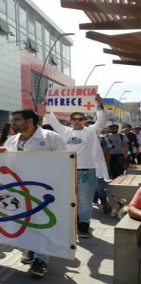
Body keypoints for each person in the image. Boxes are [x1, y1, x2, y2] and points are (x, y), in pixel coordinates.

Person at [3, 109, 67, 277]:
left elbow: (64, 162)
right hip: (16, 189)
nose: (13, 123)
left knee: (41, 224)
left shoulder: (51, 138)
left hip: (43, 189)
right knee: (21, 222)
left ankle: (41, 259)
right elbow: (2, 161)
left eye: (17, 120)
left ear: (30, 121)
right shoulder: (11, 140)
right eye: (13, 120)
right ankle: (30, 249)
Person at [44, 95, 108, 238]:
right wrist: (47, 107)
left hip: (87, 173)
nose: (77, 121)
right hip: (68, 172)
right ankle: (73, 223)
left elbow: (102, 120)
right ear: (70, 121)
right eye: (74, 119)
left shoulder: (92, 130)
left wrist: (99, 104)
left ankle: (84, 225)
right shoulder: (65, 131)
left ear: (85, 121)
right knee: (68, 199)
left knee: (85, 200)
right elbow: (52, 120)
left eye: (80, 119)